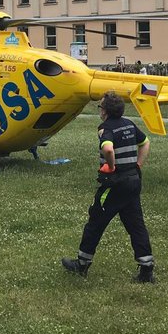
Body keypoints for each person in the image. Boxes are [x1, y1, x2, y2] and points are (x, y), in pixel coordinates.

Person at [61, 91, 155, 283]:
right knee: (136, 225)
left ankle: (82, 264)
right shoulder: (129, 124)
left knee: (95, 222)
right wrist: (138, 165)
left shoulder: (105, 128)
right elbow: (145, 143)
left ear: (105, 111)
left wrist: (111, 167)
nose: (100, 110)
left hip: (115, 185)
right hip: (133, 182)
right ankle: (146, 269)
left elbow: (108, 148)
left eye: (100, 107)